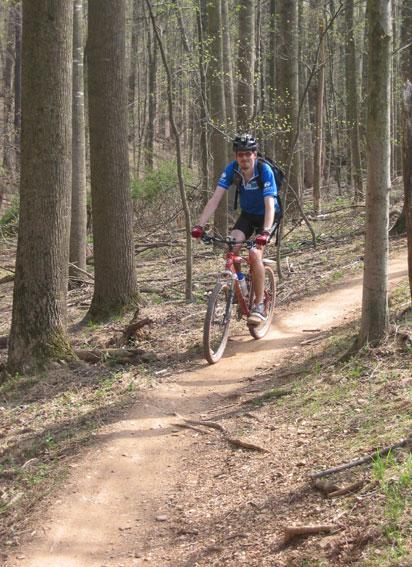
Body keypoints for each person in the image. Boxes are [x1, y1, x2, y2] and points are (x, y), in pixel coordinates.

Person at [191, 134, 278, 325]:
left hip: (267, 216)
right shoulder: (232, 170)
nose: (244, 158)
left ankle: (259, 305)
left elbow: (270, 204)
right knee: (232, 247)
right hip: (247, 215)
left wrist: (265, 232)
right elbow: (215, 199)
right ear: (236, 156)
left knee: (255, 254)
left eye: (248, 154)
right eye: (240, 154)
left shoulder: (265, 171)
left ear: (255, 154)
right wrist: (199, 225)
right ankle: (241, 284)